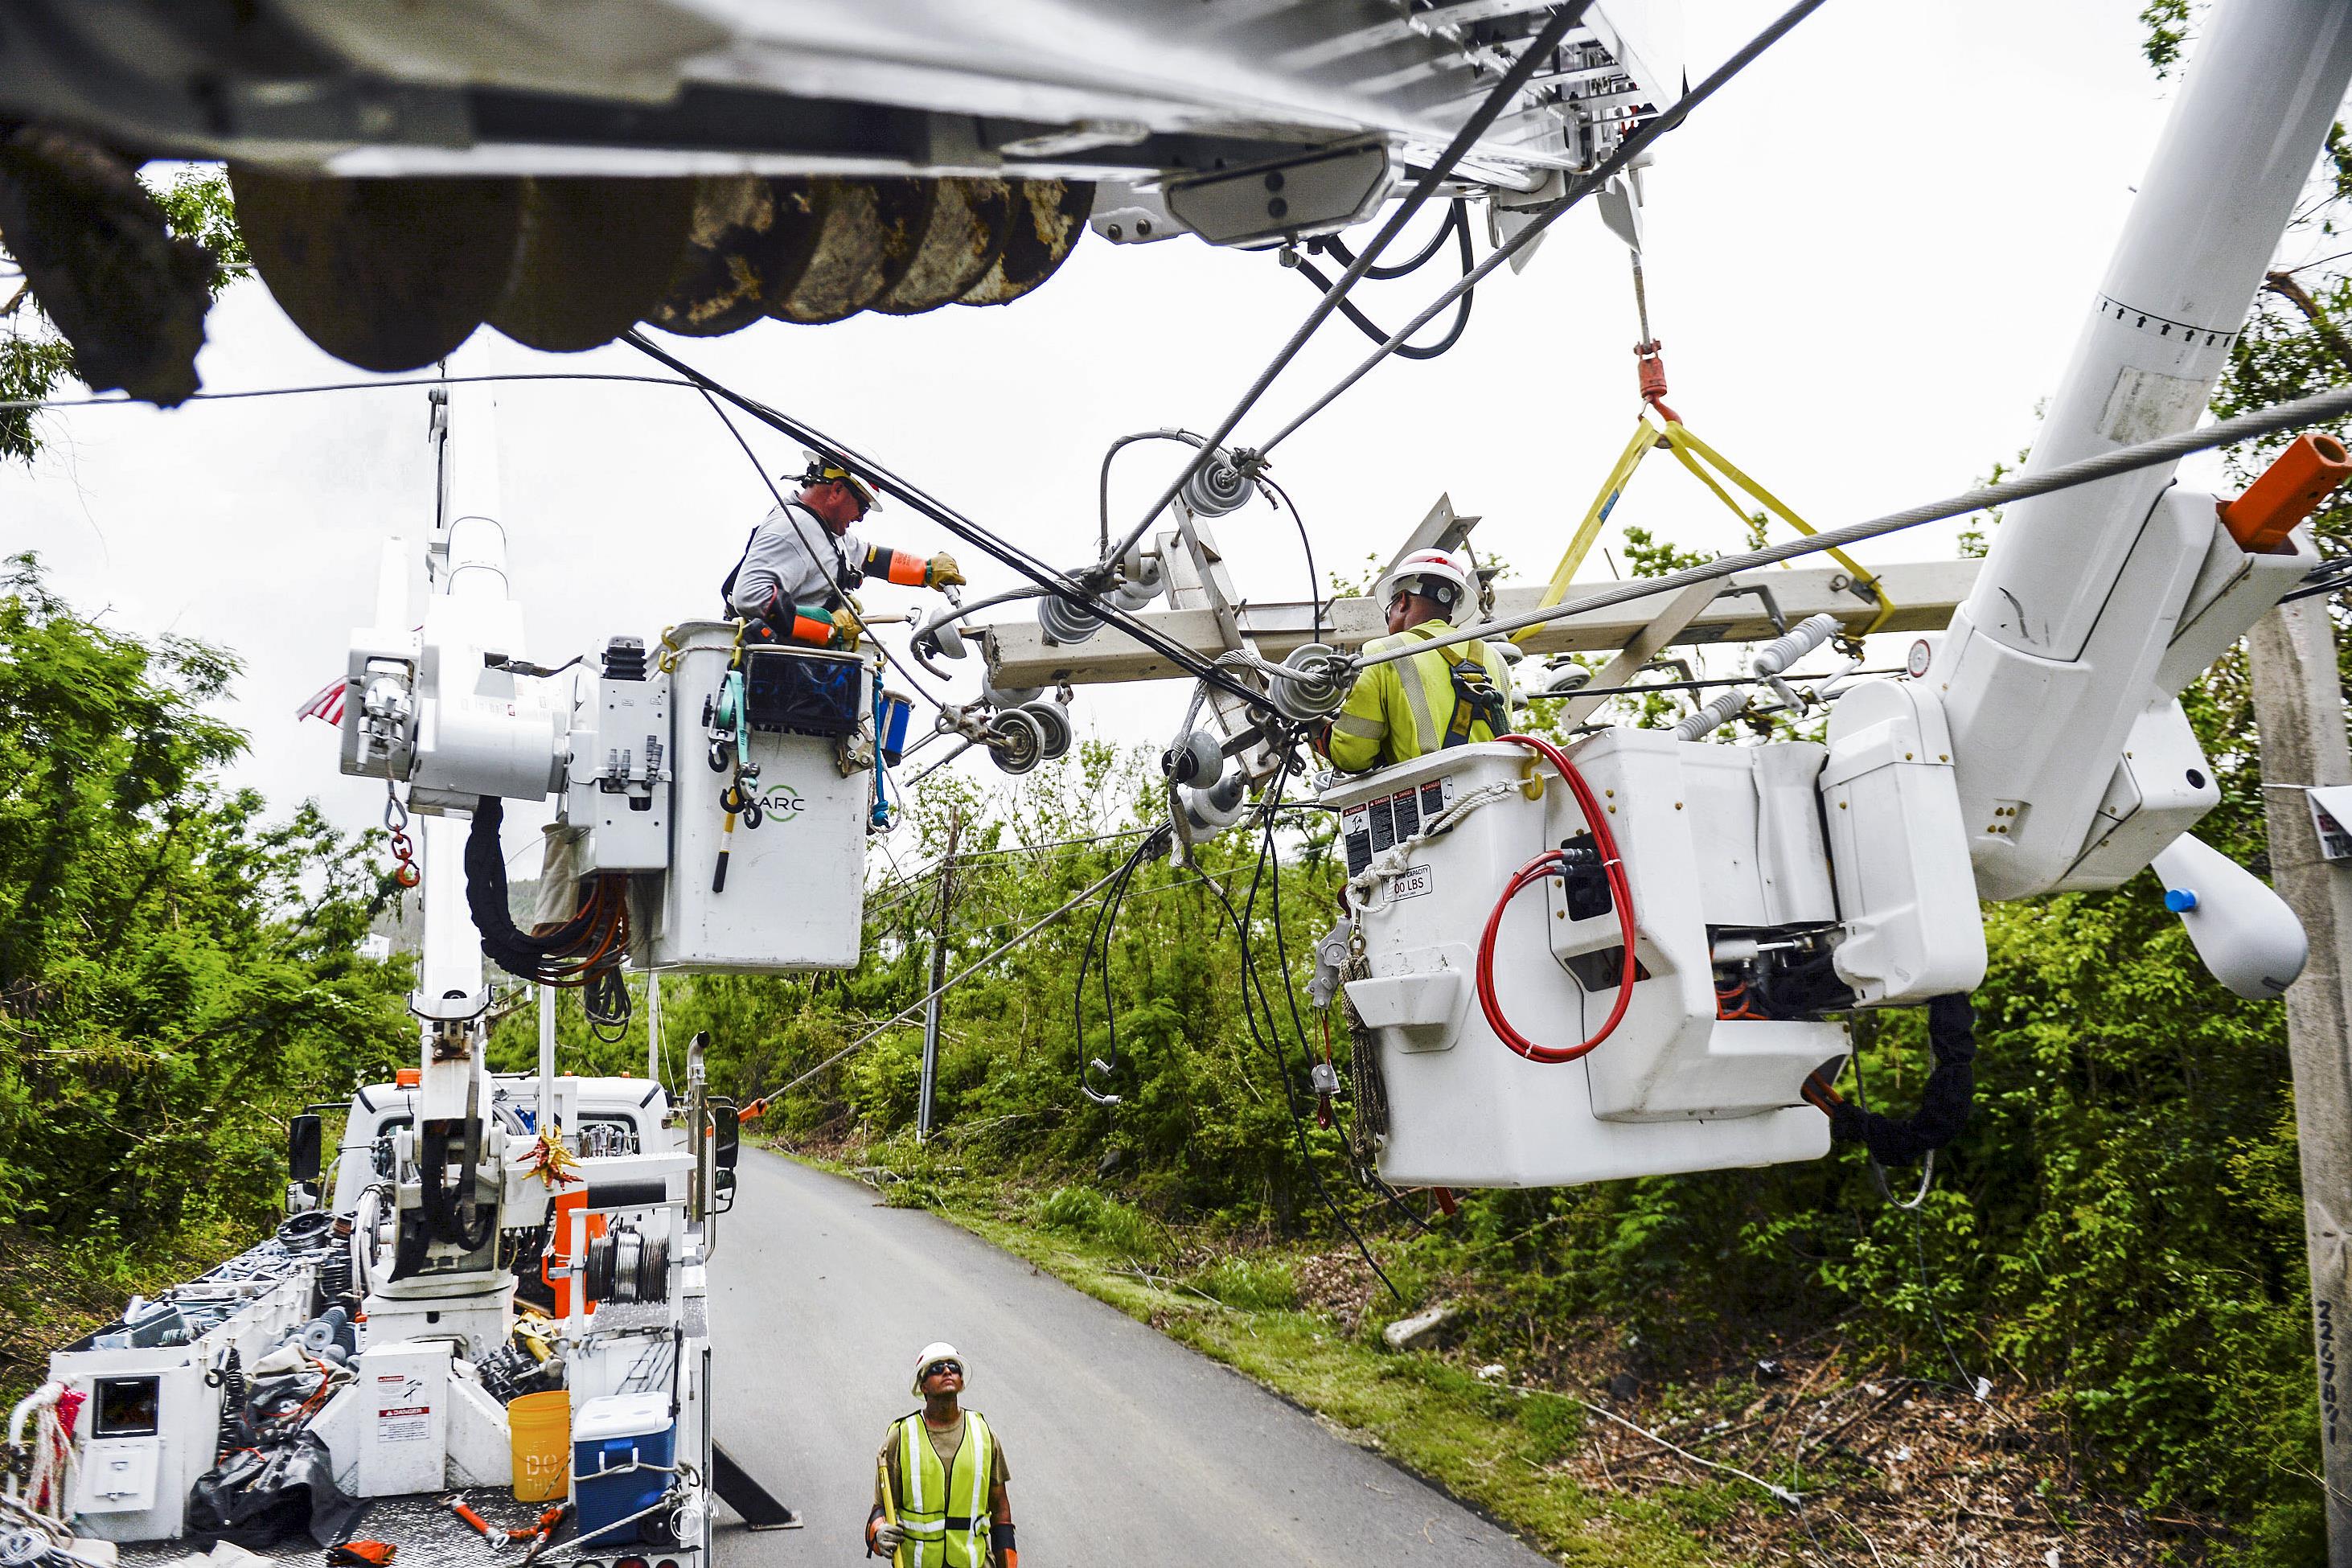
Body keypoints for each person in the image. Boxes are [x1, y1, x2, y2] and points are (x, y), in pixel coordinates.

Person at [720, 453, 964, 648]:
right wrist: (828, 626)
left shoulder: (826, 532)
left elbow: (870, 559)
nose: (860, 518)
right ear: (837, 490)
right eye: (862, 507)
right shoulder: (793, 528)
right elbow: (750, 596)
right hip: (770, 674)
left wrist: (927, 570)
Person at [1322, 548, 1514, 772]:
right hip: (1499, 793)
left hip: (1432, 798)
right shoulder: (1495, 658)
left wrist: (1317, 729)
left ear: (1401, 602)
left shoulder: (1383, 651)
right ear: (1450, 615)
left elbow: (1353, 756)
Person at [864, 1343, 1016, 1568]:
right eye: (936, 1369)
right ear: (923, 1386)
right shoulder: (901, 1437)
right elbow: (881, 1507)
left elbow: (1000, 1508)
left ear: (962, 1382)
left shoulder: (983, 1434)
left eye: (953, 1367)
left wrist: (1008, 1562)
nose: (947, 1371)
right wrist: (878, 1533)